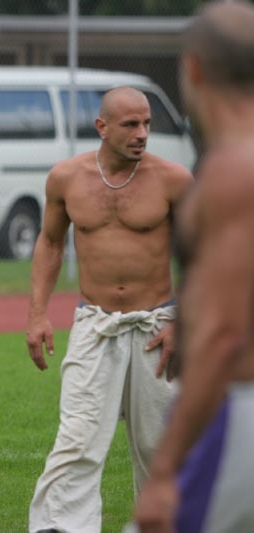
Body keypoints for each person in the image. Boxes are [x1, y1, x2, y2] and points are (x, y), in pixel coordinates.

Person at [26, 86, 193, 532]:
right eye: (130, 124)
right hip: (95, 324)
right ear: (102, 127)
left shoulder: (173, 179)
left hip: (159, 325)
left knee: (160, 444)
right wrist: (37, 314)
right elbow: (50, 242)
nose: (142, 134)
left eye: (147, 124)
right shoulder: (66, 178)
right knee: (78, 436)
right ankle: (61, 526)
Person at [134, 2, 254, 532]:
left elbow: (224, 334)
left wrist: (164, 472)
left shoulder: (233, 171)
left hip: (238, 414)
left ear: (194, 68)